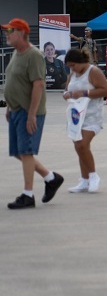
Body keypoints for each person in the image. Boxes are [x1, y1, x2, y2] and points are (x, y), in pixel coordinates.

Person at [4, 18, 64, 209]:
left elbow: (38, 85)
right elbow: (15, 81)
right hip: (16, 110)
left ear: (21, 33)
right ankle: (51, 178)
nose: (7, 34)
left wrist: (31, 115)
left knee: (26, 152)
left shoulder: (34, 55)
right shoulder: (16, 53)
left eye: (10, 30)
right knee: (18, 152)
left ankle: (28, 194)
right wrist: (9, 106)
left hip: (29, 112)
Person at [62, 48, 107, 193]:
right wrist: (67, 94)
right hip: (76, 116)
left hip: (92, 116)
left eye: (73, 65)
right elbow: (67, 88)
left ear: (81, 62)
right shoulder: (73, 74)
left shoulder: (93, 72)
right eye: (70, 66)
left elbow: (105, 90)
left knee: (83, 144)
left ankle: (93, 176)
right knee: (79, 146)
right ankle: (84, 180)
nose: (72, 68)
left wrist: (84, 93)